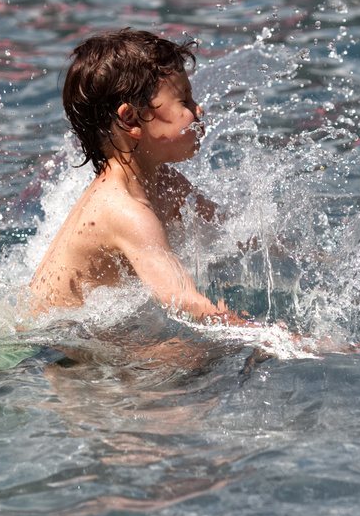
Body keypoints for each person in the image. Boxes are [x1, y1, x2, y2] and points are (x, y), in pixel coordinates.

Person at [30, 29, 250, 326]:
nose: (199, 109)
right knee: (193, 357)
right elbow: (179, 299)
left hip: (88, 333)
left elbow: (230, 233)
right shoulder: (126, 209)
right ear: (131, 119)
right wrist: (273, 338)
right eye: (184, 100)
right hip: (53, 345)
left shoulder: (164, 181)